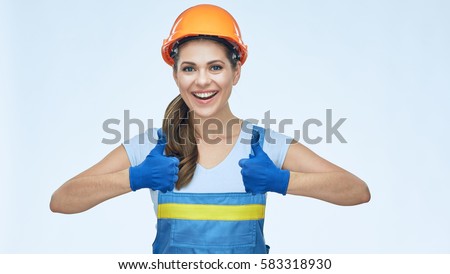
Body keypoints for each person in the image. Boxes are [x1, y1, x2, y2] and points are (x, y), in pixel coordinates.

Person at [50, 4, 370, 254]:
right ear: (176, 76)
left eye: (215, 67)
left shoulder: (263, 145)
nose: (202, 81)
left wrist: (283, 180)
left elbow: (356, 191)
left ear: (236, 72)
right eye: (189, 68)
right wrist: (134, 178)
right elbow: (62, 200)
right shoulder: (152, 147)